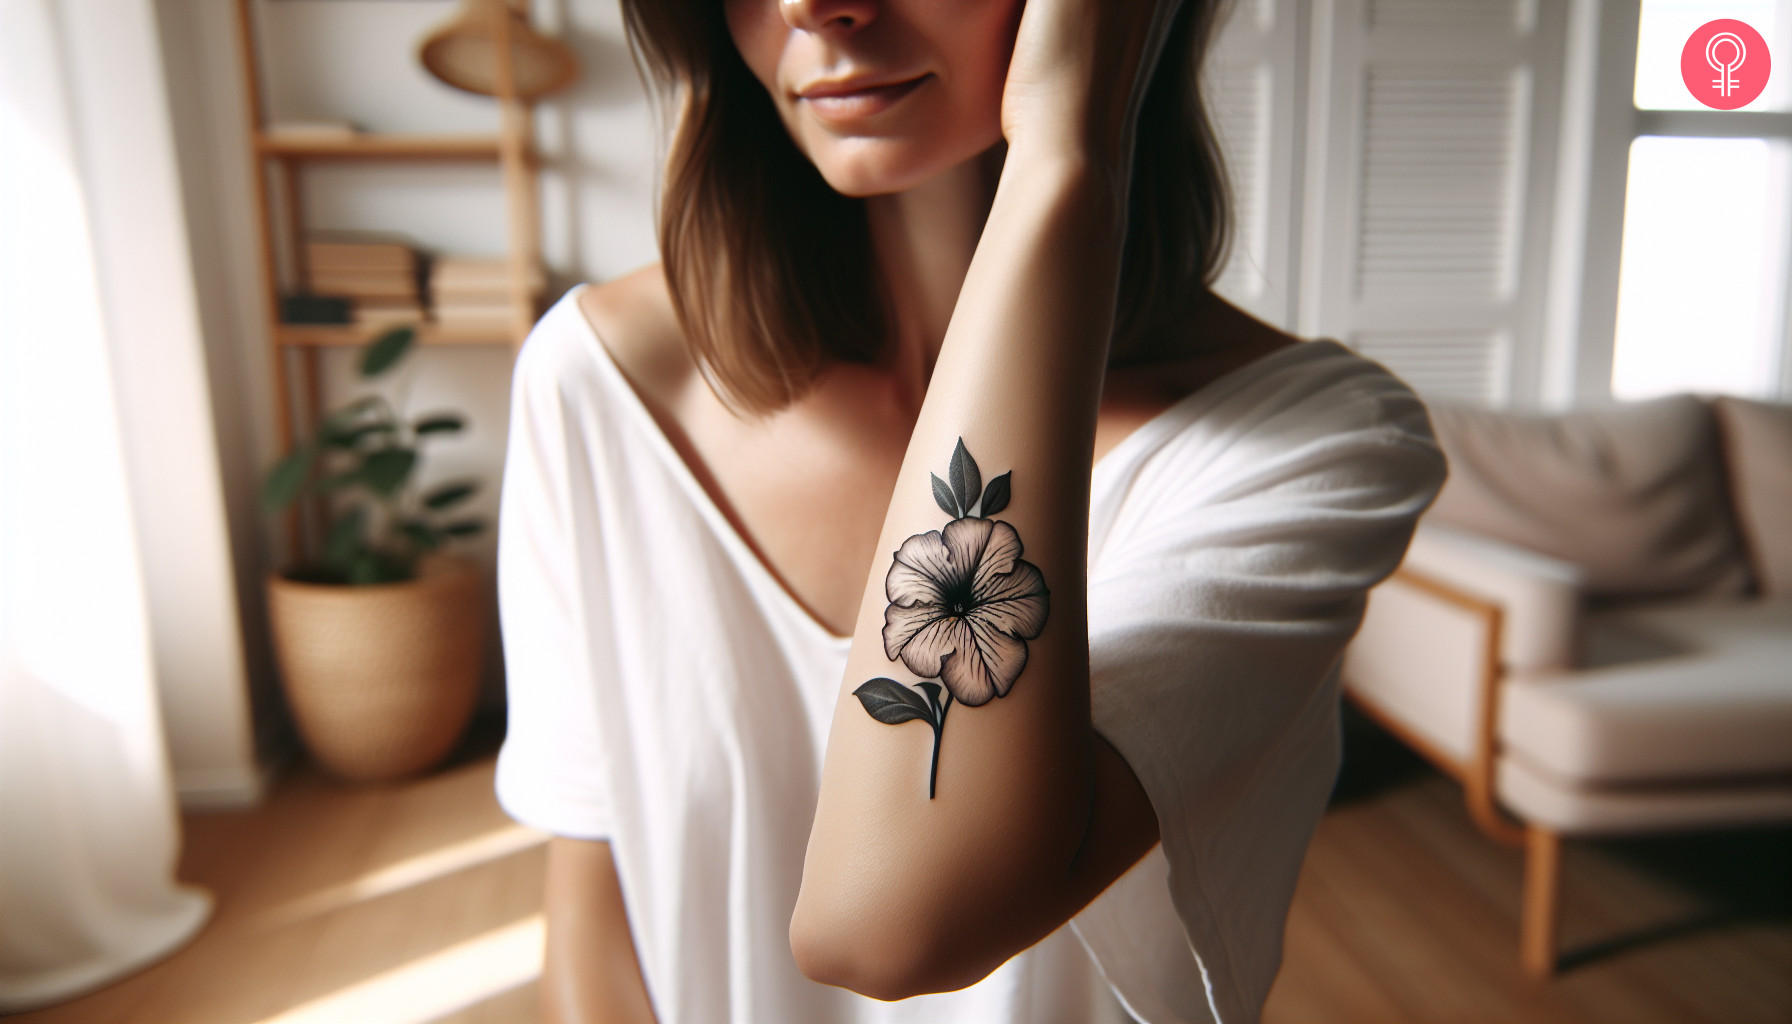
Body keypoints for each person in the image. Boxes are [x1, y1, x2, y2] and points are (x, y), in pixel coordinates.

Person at [494, 0, 1447, 1021]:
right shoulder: (595, 385)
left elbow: (888, 920)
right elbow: (593, 922)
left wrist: (1063, 167)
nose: (814, 5)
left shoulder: (1312, 446)